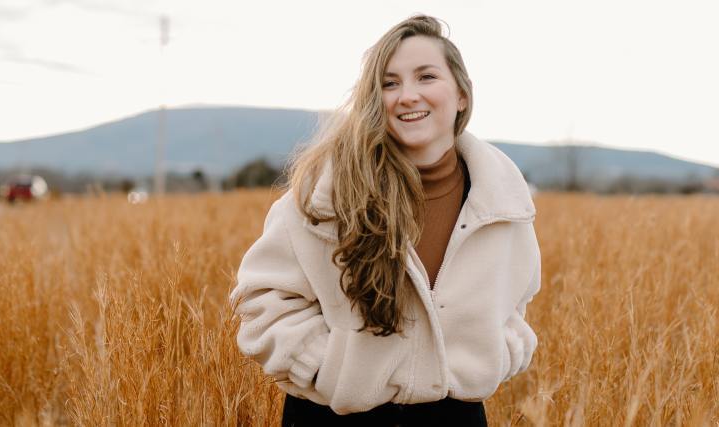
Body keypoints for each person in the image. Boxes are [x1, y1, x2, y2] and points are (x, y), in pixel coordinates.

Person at [229, 14, 541, 426]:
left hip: (454, 415)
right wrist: (326, 370)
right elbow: (261, 299)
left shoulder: (502, 202)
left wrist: (497, 354)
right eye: (390, 83)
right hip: (335, 414)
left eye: (426, 77)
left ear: (462, 94)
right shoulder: (326, 192)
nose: (407, 96)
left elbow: (516, 302)